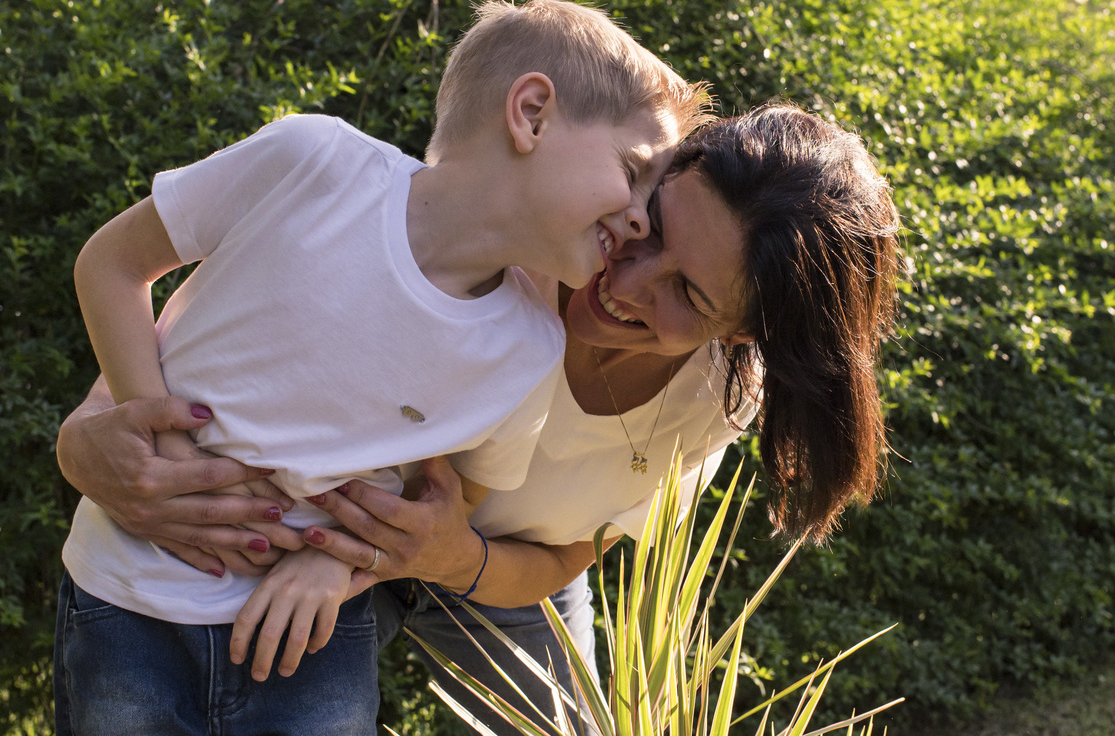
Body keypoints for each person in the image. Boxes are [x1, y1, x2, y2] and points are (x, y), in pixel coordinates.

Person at [57, 103, 902, 734]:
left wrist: (429, 556)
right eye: (653, 229)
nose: (627, 280)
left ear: (743, 330)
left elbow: (568, 553)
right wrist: (92, 432)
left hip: (490, 569)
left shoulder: (714, 402)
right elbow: (261, 343)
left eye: (687, 292)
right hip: (333, 525)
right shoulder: (527, 234)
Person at [54, 0, 707, 736]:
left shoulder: (527, 348)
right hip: (128, 594)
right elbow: (111, 264)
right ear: (531, 113)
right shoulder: (312, 161)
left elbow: (447, 497)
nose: (639, 220)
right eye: (632, 171)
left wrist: (342, 566)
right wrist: (163, 453)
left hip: (316, 638)